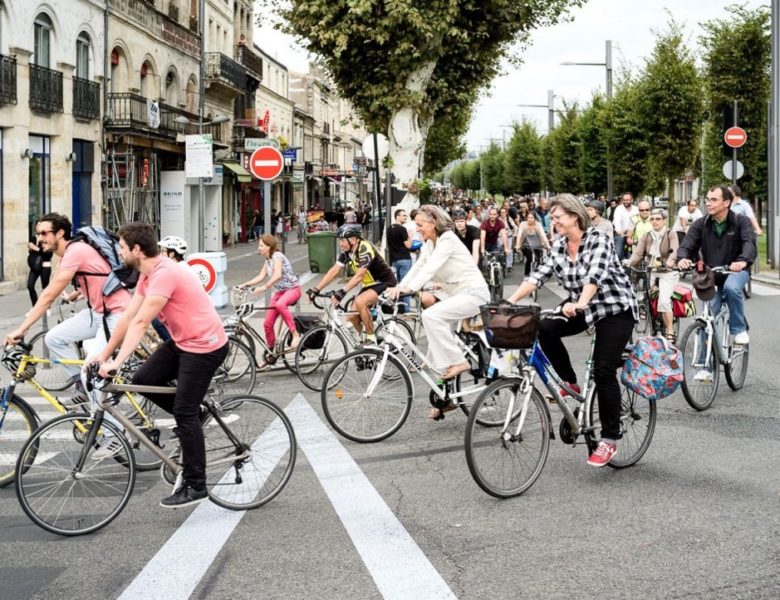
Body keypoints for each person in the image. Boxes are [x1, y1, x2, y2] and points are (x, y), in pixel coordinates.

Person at [90, 222, 229, 508]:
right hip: (183, 342)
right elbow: (129, 315)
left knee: (183, 412)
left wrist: (116, 362)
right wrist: (103, 355)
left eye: (122, 247)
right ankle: (198, 412)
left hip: (205, 346)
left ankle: (196, 484)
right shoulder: (147, 273)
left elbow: (141, 323)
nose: (119, 250)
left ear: (137, 250)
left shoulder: (165, 274)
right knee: (144, 379)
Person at [507, 194, 637, 468]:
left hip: (614, 309)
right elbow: (537, 276)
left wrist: (579, 303)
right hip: (581, 306)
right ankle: (570, 382)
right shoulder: (558, 246)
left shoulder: (598, 239)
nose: (553, 222)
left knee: (603, 370)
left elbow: (595, 276)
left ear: (575, 217)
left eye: (557, 217)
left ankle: (610, 438)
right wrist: (511, 301)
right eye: (551, 218)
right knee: (543, 327)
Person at [5, 213, 131, 398]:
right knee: (53, 338)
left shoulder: (76, 251)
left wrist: (22, 329)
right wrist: (74, 295)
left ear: (60, 233)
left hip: (116, 314)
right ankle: (82, 386)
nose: (40, 239)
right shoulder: (69, 254)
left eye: (44, 233)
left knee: (90, 372)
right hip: (98, 313)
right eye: (38, 234)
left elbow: (49, 294)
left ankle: (110, 425)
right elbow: (94, 276)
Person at [386, 205, 490, 419]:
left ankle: (461, 362)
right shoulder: (430, 243)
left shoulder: (448, 240)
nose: (417, 230)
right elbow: (417, 267)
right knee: (436, 351)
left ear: (433, 222)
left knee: (430, 316)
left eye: (420, 225)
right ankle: (446, 400)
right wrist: (399, 287)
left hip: (473, 293)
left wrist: (411, 289)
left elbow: (430, 269)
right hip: (455, 295)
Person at [677, 185, 756, 352]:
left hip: (736, 270)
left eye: (713, 200)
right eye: (707, 199)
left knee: (731, 288)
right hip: (712, 274)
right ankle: (704, 367)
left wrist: (742, 262)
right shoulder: (701, 223)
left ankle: (739, 329)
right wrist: (682, 258)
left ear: (726, 202)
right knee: (707, 319)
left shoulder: (741, 221)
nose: (708, 203)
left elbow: (749, 243)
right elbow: (688, 244)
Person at [307, 224, 396, 343]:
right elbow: (333, 271)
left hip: (385, 282)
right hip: (370, 285)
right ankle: (366, 340)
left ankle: (371, 338)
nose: (340, 243)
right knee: (351, 316)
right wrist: (316, 289)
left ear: (353, 239)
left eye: (342, 240)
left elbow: (359, 275)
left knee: (361, 301)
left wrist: (342, 291)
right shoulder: (348, 252)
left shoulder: (364, 248)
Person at [240, 234, 302, 362]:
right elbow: (260, 276)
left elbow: (278, 274)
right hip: (280, 292)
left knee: (280, 305)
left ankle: (295, 333)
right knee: (267, 324)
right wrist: (244, 284)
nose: (259, 248)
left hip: (292, 290)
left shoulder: (277, 256)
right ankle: (272, 350)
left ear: (269, 247)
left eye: (261, 246)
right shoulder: (267, 260)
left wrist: (265, 287)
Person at [624, 209, 679, 340]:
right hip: (651, 270)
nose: (655, 221)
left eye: (658, 219)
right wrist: (629, 262)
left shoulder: (671, 234)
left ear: (664, 220)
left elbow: (675, 250)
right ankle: (650, 316)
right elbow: (638, 253)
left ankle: (670, 331)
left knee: (664, 301)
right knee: (641, 295)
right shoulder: (647, 235)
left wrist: (671, 261)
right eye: (652, 219)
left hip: (667, 272)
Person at [154, 235, 191, 343]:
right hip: (185, 313)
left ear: (172, 254)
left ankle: (176, 348)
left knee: (156, 321)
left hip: (186, 318)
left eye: (163, 252)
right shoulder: (183, 266)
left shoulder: (177, 270)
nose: (160, 255)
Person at [386, 208, 413, 312]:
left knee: (398, 285)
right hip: (404, 259)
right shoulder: (402, 229)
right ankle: (406, 310)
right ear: (397, 217)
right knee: (405, 284)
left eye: (406, 215)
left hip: (394, 260)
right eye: (403, 215)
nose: (405, 217)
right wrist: (410, 235)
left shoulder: (389, 229)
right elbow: (409, 245)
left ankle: (399, 308)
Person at [515, 212, 551, 276]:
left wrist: (547, 245)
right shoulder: (523, 224)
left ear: (535, 218)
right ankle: (527, 274)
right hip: (526, 245)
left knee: (538, 259)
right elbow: (519, 235)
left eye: (532, 218)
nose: (530, 219)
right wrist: (518, 244)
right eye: (528, 217)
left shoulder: (538, 224)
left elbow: (543, 235)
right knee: (530, 258)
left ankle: (539, 272)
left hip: (538, 245)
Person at [26, 223, 53, 306]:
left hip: (45, 265)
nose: (38, 227)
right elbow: (31, 250)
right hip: (35, 266)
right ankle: (35, 305)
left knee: (45, 288)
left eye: (40, 225)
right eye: (37, 225)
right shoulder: (34, 236)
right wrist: (30, 249)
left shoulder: (47, 238)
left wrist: (36, 248)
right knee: (30, 285)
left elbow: (49, 254)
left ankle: (46, 306)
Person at [612, 192, 638, 260]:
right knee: (618, 253)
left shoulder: (636, 209)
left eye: (628, 200)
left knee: (636, 253)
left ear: (632, 200)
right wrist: (623, 235)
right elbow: (617, 224)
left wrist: (631, 236)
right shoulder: (618, 209)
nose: (626, 201)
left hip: (633, 234)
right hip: (620, 234)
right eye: (624, 200)